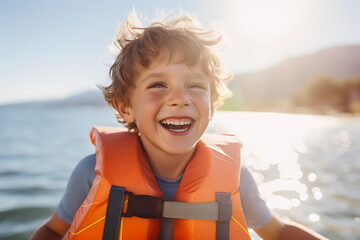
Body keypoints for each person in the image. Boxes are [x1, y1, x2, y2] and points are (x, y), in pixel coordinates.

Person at [30, 11, 328, 240]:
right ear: (125, 107)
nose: (179, 99)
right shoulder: (89, 173)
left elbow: (277, 232)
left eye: (195, 86)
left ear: (213, 102)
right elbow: (53, 232)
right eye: (158, 84)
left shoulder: (236, 178)